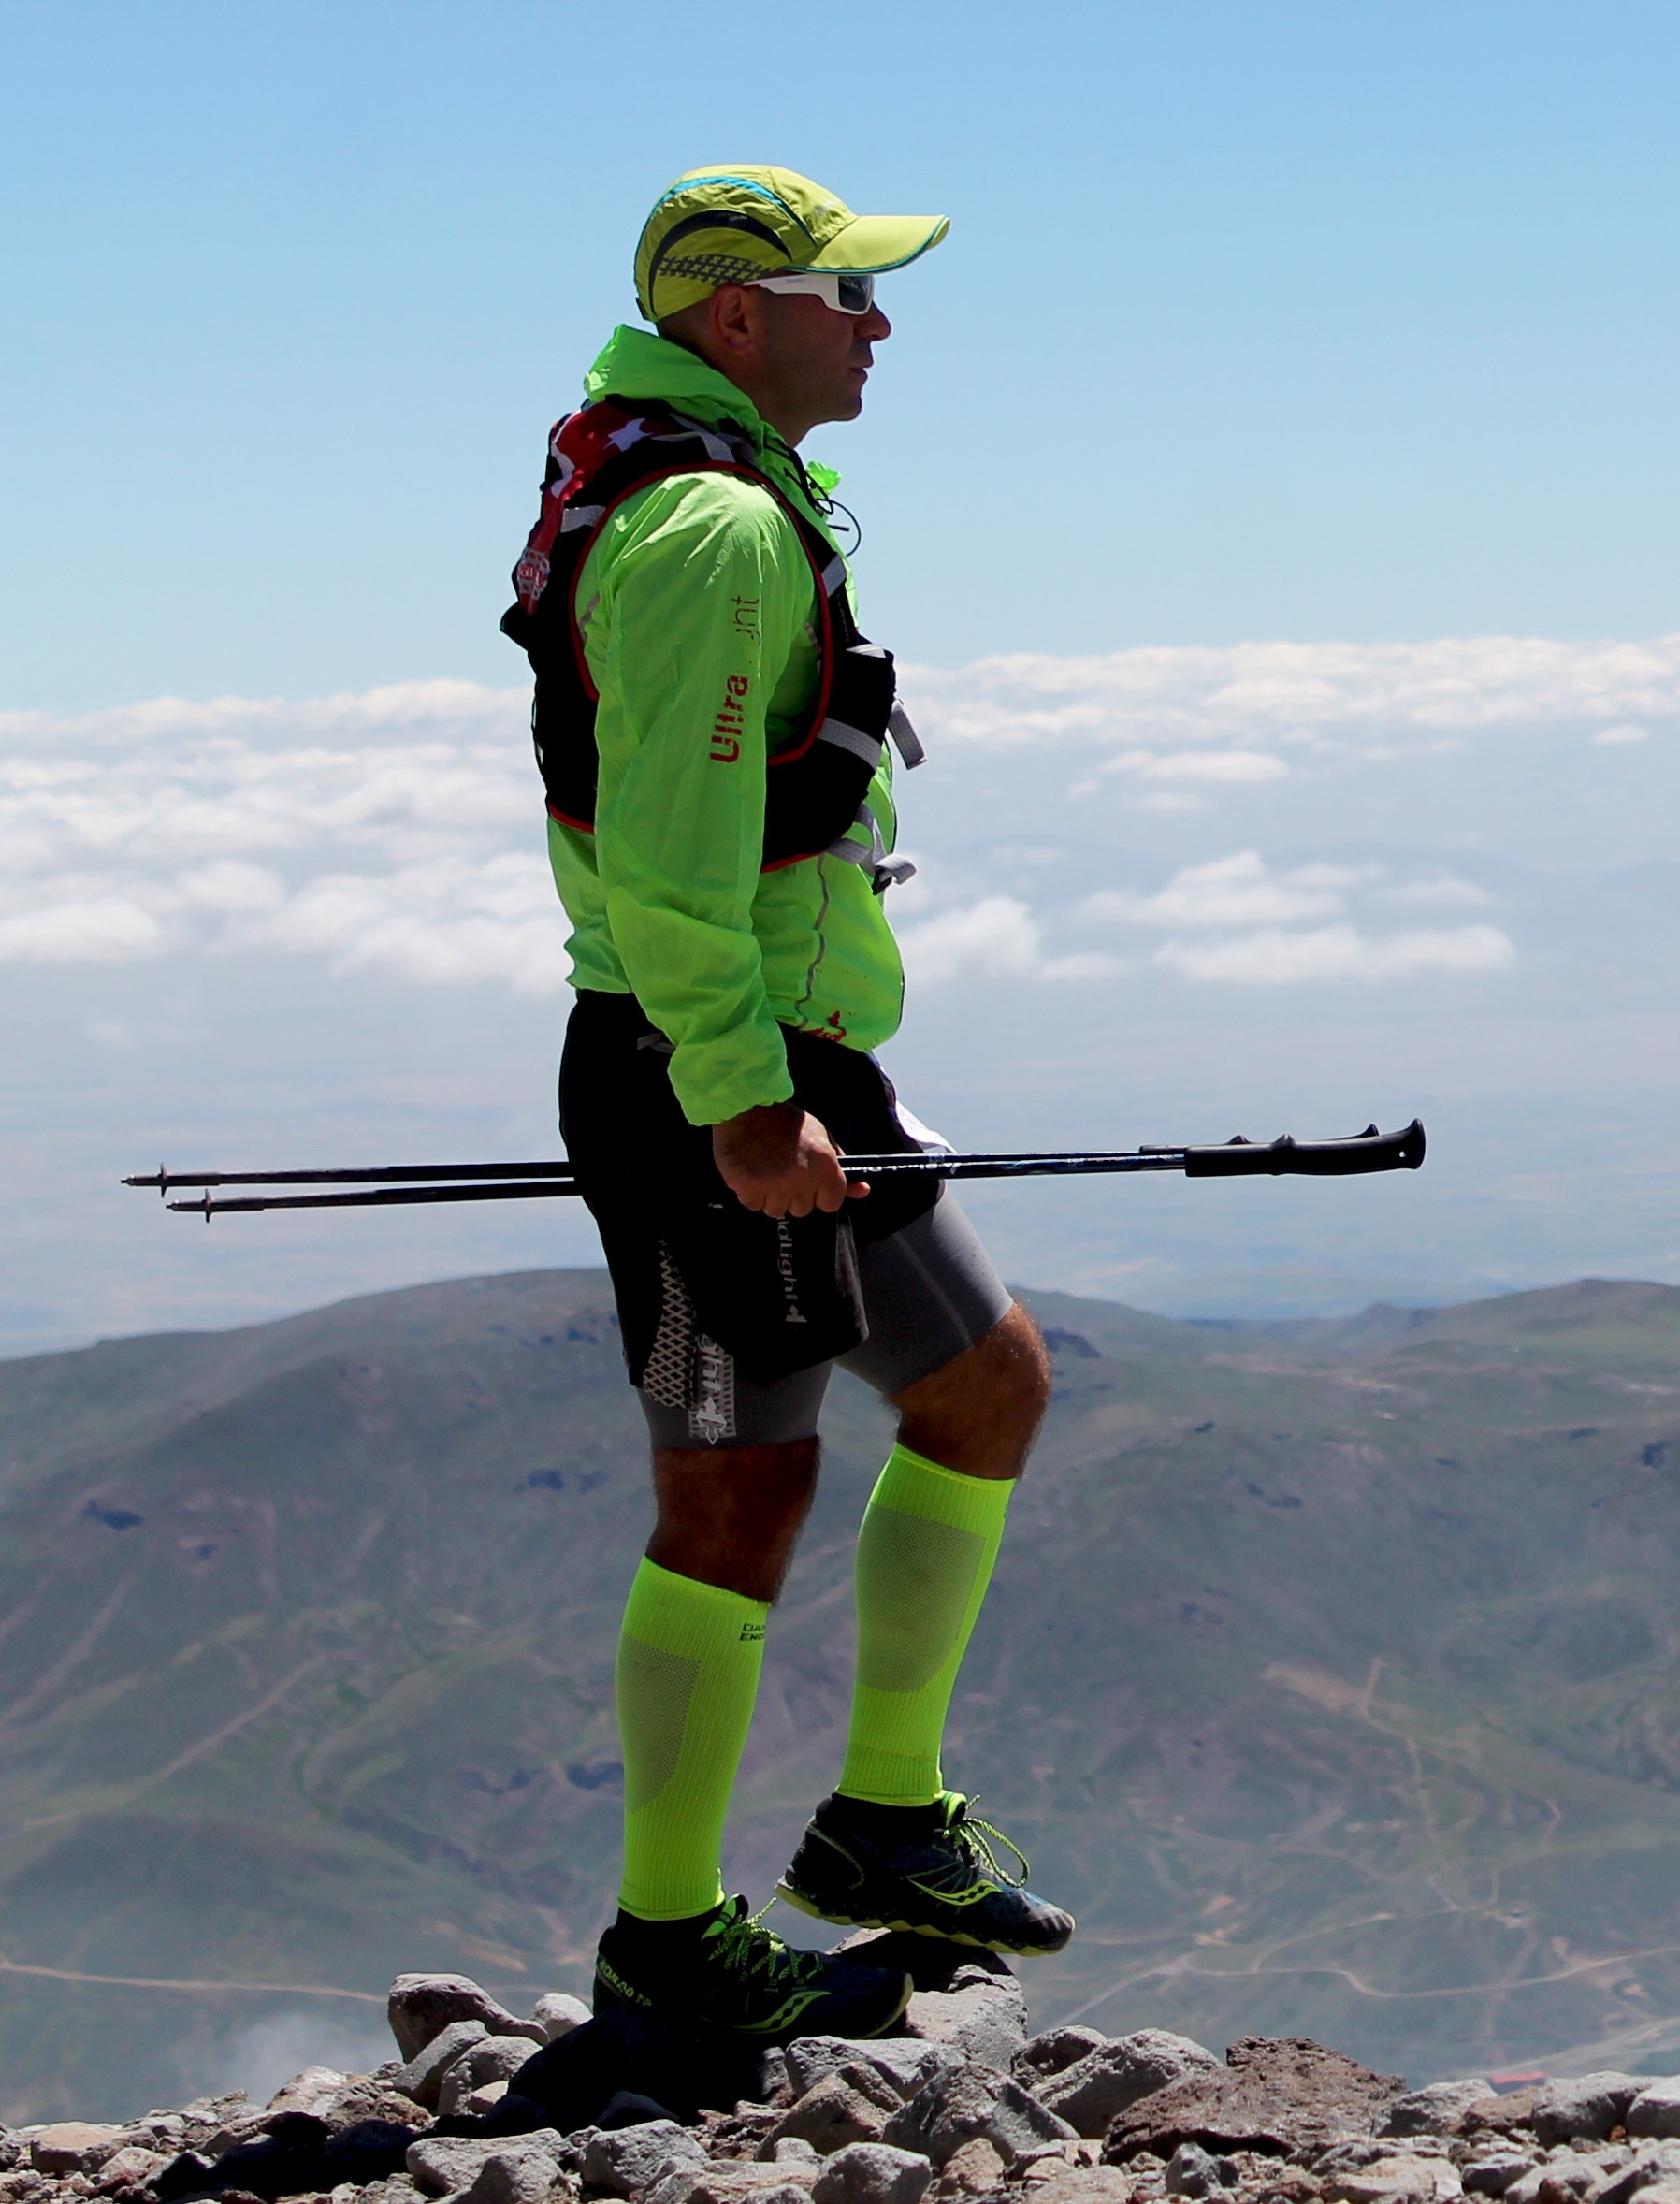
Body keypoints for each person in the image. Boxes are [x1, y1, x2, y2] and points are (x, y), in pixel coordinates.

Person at [507, 166, 1071, 2045]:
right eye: (847, 293)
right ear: (736, 313)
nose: (879, 325)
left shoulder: (723, 491)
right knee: (737, 1495)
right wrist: (741, 1109)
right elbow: (669, 862)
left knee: (984, 1381)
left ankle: (885, 1818)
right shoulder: (704, 531)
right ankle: (670, 1935)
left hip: (789, 1056)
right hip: (705, 1071)